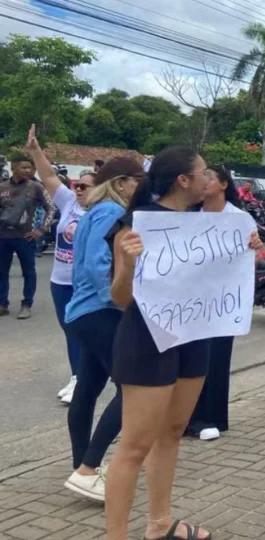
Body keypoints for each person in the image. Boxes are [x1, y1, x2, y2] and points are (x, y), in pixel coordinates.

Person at [103, 146, 261, 540]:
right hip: (147, 340)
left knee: (172, 432)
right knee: (134, 447)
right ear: (183, 181)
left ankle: (159, 523)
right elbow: (120, 299)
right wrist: (130, 264)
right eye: (204, 172)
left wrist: (246, 251)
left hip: (193, 336)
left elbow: (214, 279)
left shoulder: (203, 225)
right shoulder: (136, 225)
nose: (211, 179)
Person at [62, 157, 144, 501]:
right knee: (134, 389)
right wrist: (123, 302)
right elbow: (100, 267)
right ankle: (89, 468)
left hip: (82, 313)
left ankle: (83, 467)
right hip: (102, 312)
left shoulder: (92, 213)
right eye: (138, 180)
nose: (142, 186)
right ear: (123, 182)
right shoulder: (112, 213)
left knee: (88, 390)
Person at [185, 164, 262, 442]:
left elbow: (254, 257)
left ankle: (212, 418)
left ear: (224, 185)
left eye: (210, 177)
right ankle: (187, 418)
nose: (204, 182)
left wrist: (253, 249)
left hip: (223, 302)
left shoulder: (240, 219)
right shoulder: (189, 215)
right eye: (201, 176)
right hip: (192, 300)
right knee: (190, 359)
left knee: (217, 358)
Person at [23, 125, 91, 403]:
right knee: (68, 329)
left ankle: (84, 379)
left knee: (83, 329)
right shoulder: (69, 202)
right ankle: (77, 376)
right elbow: (49, 175)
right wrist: (35, 151)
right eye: (77, 185)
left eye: (86, 186)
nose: (79, 190)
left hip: (85, 283)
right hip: (60, 281)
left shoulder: (106, 210)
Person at [0, 154, 54, 319]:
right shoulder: (2, 187)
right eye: (23, 167)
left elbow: (51, 208)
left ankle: (26, 304)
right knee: (2, 273)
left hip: (26, 238)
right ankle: (2, 304)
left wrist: (41, 230)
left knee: (28, 272)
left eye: (29, 168)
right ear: (13, 168)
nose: (28, 171)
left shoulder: (36, 187)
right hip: (3, 237)